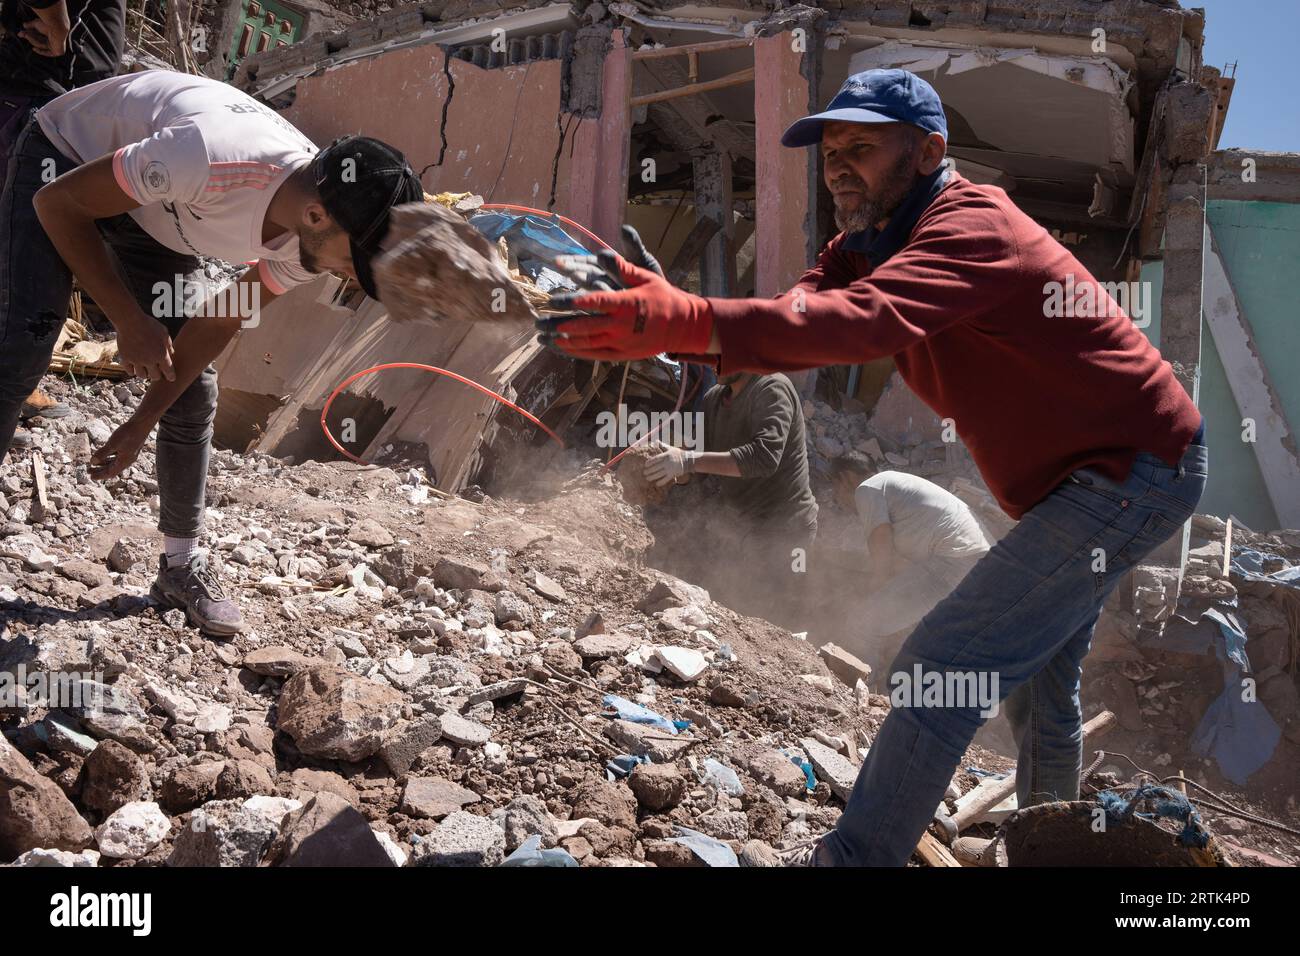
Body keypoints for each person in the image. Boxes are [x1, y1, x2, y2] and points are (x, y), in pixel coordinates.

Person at [539, 68, 1207, 865]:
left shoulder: (969, 227)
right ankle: (1054, 847)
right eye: (829, 154)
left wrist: (683, 318)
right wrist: (677, 322)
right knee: (1040, 685)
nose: (839, 168)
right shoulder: (864, 241)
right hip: (1077, 486)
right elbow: (806, 310)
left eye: (861, 147)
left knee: (940, 661)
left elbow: (862, 323)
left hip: (1134, 470)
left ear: (928, 151)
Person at [0, 68, 423, 634]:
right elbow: (60, 205)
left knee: (193, 389)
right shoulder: (209, 157)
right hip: (64, 159)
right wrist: (128, 318)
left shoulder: (309, 241)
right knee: (21, 348)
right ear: (318, 215)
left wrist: (139, 421)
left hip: (157, 214)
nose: (351, 275)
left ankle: (180, 566)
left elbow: (218, 322)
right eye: (357, 261)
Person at [1, 0, 128, 442]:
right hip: (42, 102)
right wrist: (56, 21)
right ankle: (11, 391)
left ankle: (14, 389)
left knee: (19, 257)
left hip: (52, 103)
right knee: (23, 260)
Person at [645, 371, 818, 608]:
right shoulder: (714, 399)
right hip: (745, 527)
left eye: (722, 354)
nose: (715, 365)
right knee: (740, 605)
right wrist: (669, 467)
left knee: (785, 606)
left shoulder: (772, 388)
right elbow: (699, 466)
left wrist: (687, 460)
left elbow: (764, 458)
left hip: (789, 529)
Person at [840, 469, 989, 673]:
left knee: (863, 624)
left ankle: (856, 695)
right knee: (919, 635)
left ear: (844, 478)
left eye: (835, 490)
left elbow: (881, 540)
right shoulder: (897, 489)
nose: (837, 498)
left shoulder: (867, 488)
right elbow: (904, 567)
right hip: (980, 562)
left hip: (955, 561)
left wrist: (875, 586)